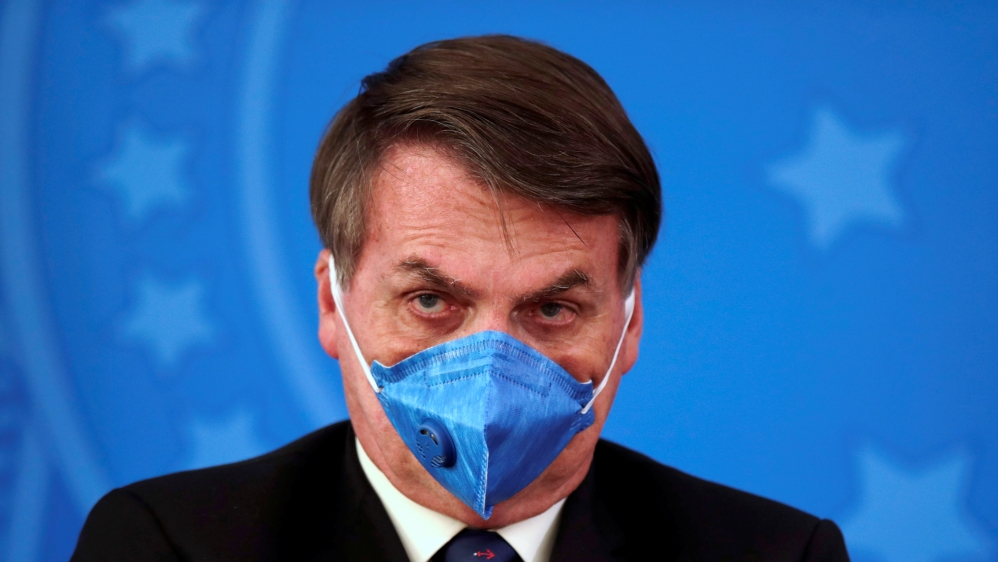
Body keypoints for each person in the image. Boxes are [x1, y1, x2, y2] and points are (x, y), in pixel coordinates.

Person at [71, 35, 849, 561]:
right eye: (431, 301)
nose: (492, 374)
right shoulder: (165, 546)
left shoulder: (779, 555)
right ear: (333, 306)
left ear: (631, 320)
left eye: (552, 309)